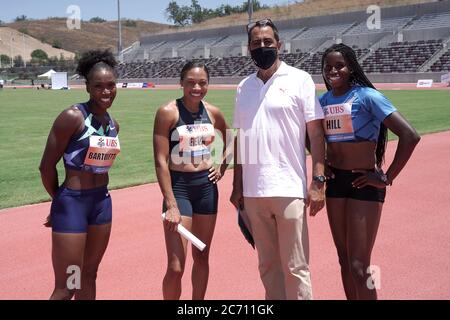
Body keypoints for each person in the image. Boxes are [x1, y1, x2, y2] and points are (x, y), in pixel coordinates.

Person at [230, 18, 326, 300]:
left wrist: (318, 180)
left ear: (279, 44)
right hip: (254, 191)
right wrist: (237, 186)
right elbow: (240, 139)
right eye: (256, 43)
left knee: (296, 266)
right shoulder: (243, 87)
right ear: (248, 48)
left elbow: (316, 135)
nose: (262, 47)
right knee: (267, 265)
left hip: (289, 188)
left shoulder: (300, 79)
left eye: (267, 42)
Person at [319, 43, 420, 300]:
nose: (333, 71)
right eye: (328, 66)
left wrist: (387, 177)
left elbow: (409, 135)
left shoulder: (367, 96)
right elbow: (310, 136)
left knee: (359, 265)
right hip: (336, 183)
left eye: (339, 65)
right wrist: (324, 163)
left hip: (364, 182)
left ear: (351, 67)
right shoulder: (322, 101)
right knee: (343, 260)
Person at [39, 50, 120, 300]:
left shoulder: (112, 123)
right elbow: (46, 166)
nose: (106, 92)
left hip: (101, 203)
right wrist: (60, 202)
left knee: (89, 275)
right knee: (68, 285)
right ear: (87, 86)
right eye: (99, 86)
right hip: (73, 203)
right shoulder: (73, 117)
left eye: (110, 86)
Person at [153, 61, 231, 300]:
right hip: (179, 190)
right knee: (176, 266)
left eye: (202, 82)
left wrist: (221, 166)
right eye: (191, 82)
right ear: (181, 83)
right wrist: (171, 204)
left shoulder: (213, 112)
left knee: (202, 255)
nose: (196, 87)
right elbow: (160, 160)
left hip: (207, 189)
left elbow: (232, 141)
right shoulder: (168, 112)